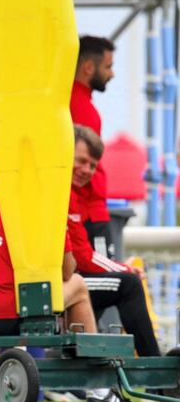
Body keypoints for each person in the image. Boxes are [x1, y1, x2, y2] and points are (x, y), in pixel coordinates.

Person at [0, 184, 114, 402]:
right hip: (8, 314)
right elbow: (67, 270)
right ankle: (99, 391)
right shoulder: (36, 197)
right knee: (78, 285)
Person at [68, 125, 161, 362]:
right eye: (82, 161)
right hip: (58, 284)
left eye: (93, 165)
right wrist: (125, 269)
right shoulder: (67, 196)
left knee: (121, 281)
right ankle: (155, 370)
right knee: (128, 284)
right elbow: (84, 257)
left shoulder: (72, 194)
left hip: (63, 281)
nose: (87, 170)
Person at [71, 36, 115, 256]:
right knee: (108, 281)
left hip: (84, 212)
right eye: (108, 66)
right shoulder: (82, 108)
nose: (112, 74)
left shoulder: (74, 102)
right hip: (88, 214)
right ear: (88, 67)